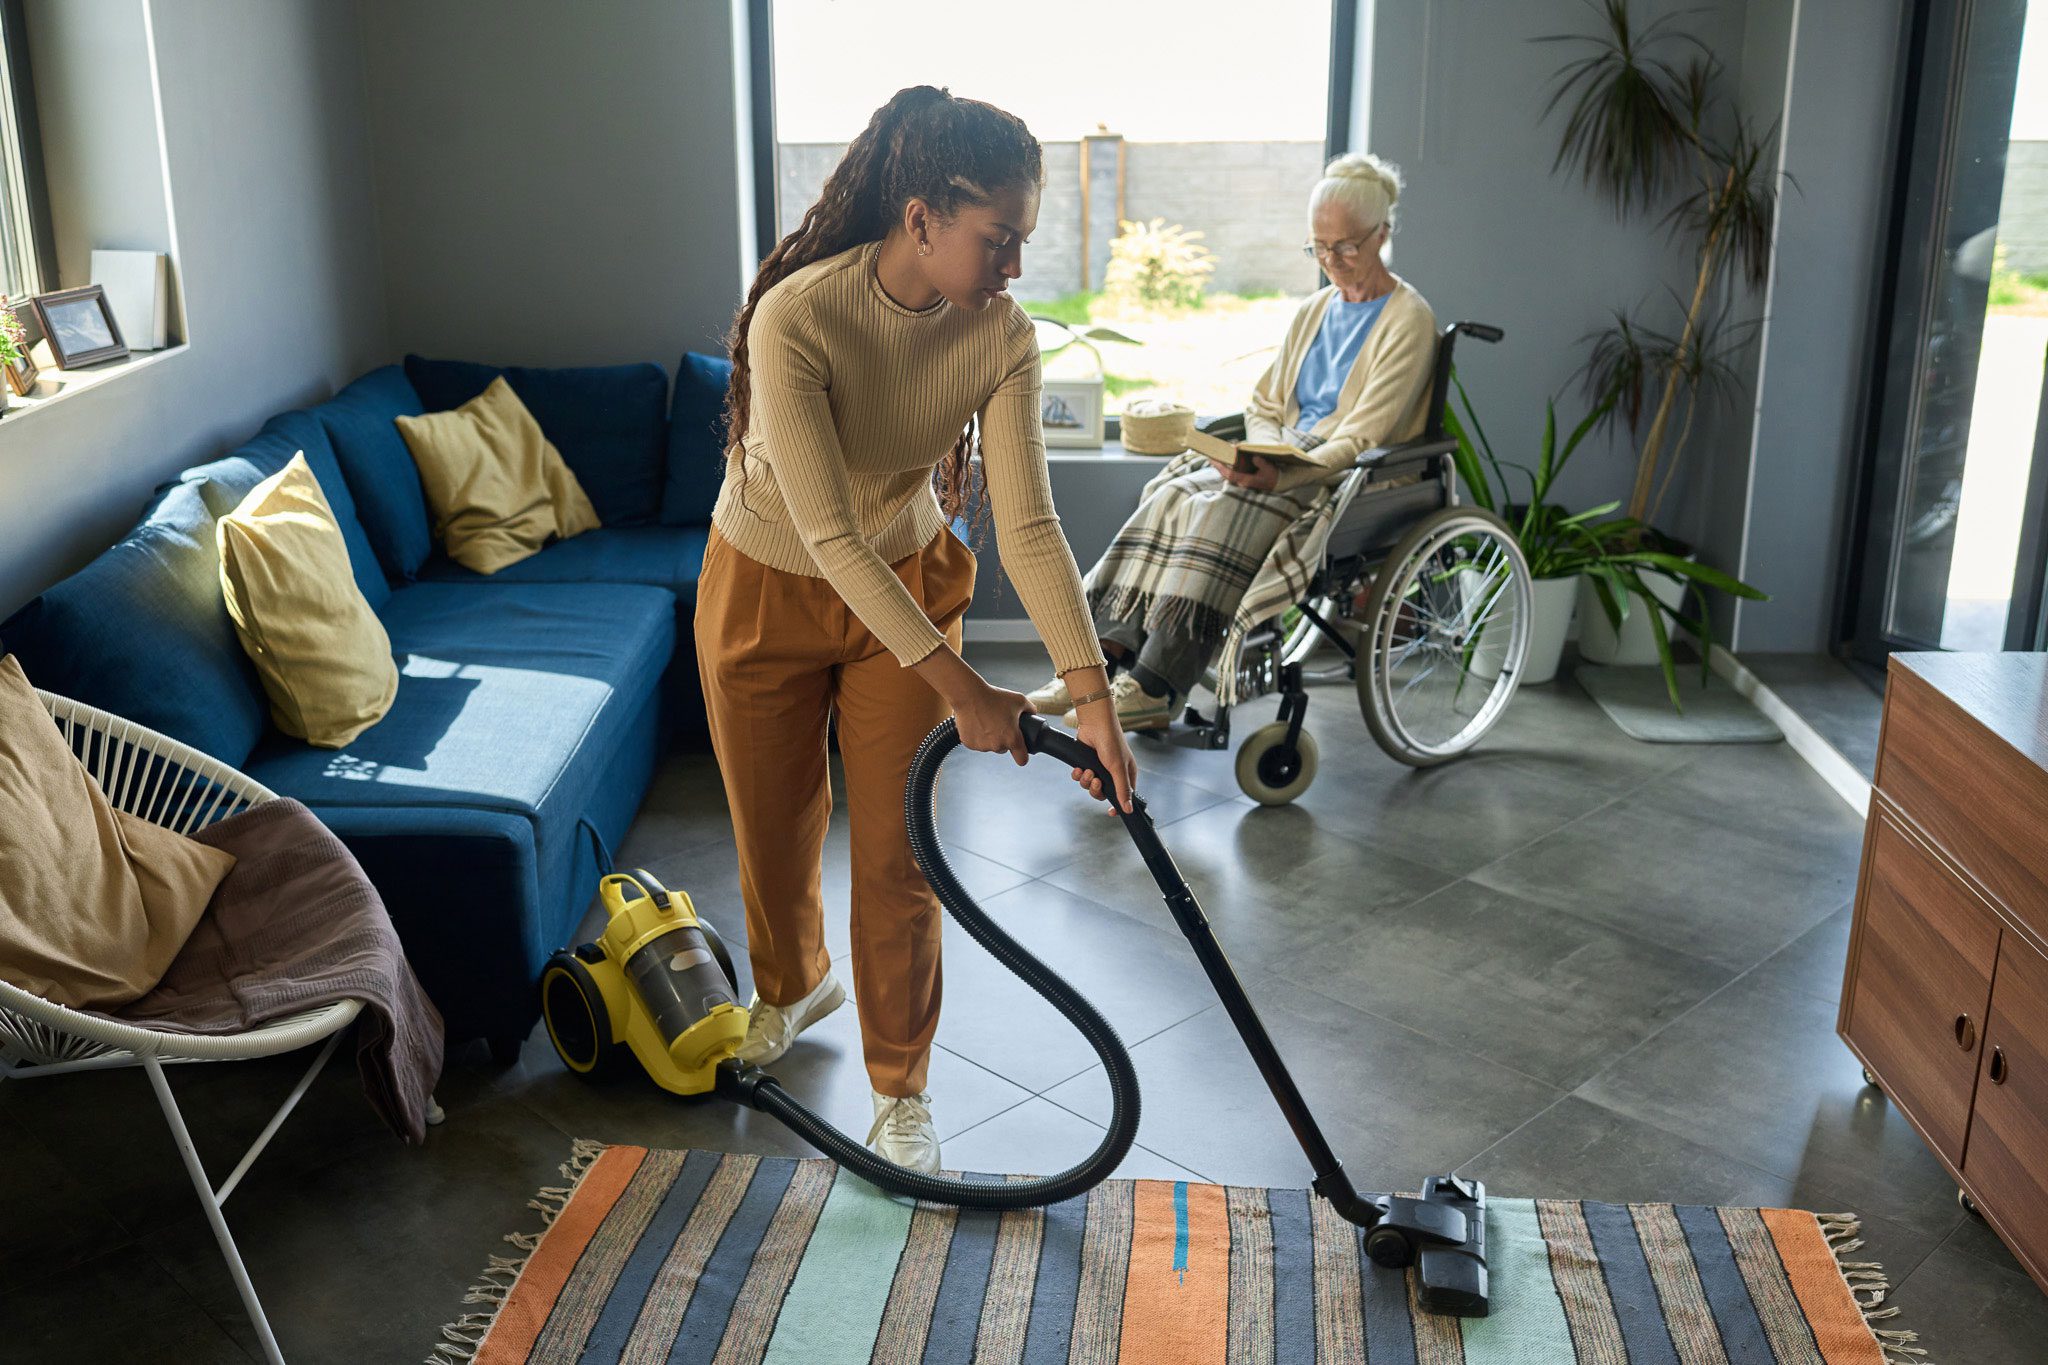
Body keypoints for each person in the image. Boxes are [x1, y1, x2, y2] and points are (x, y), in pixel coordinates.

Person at [696, 85, 1139, 1176]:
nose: (1015, 266)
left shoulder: (1002, 334)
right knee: (774, 822)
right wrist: (966, 688)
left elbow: (1028, 525)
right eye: (1001, 238)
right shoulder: (798, 313)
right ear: (922, 217)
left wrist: (1094, 703)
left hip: (904, 573)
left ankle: (901, 1089)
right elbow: (824, 531)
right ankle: (791, 989)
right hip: (765, 578)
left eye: (1023, 241)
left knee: (895, 854)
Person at [1026, 152, 1440, 731]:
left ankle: (1154, 683)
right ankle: (1093, 670)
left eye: (1346, 246)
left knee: (1228, 505)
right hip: (1284, 454)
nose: (1332, 261)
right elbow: (1266, 403)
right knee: (1172, 495)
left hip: (1339, 472)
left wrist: (1287, 470)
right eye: (1319, 247)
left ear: (1383, 234)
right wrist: (1261, 451)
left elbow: (1361, 434)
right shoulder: (1315, 309)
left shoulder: (1408, 320)